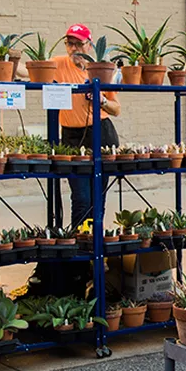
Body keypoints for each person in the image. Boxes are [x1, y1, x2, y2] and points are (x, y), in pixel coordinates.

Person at [54, 23, 121, 227]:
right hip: (71, 136)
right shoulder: (58, 63)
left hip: (100, 133)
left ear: (89, 46)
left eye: (79, 44)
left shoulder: (101, 69)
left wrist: (101, 100)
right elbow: (27, 70)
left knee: (97, 197)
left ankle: (95, 248)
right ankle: (81, 249)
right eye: (69, 43)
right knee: (81, 196)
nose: (74, 48)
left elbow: (116, 109)